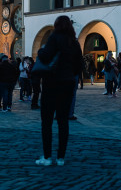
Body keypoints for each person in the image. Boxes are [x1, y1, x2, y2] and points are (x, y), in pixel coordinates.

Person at [35, 15, 84, 166]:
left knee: (47, 122)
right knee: (63, 121)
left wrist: (40, 52)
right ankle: (61, 157)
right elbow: (80, 66)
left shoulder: (54, 37)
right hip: (67, 84)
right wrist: (69, 74)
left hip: (52, 83)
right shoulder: (74, 42)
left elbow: (46, 56)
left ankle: (47, 156)